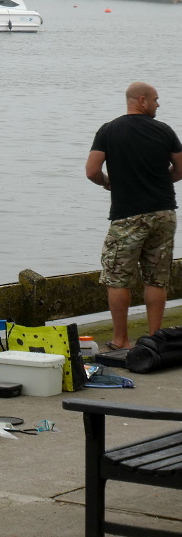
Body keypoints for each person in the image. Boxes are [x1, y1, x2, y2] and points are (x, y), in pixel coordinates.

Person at [86, 82, 182, 351]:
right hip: (164, 212)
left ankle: (121, 340)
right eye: (156, 100)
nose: (158, 104)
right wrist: (161, 182)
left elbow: (92, 171)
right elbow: (180, 168)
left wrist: (108, 182)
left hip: (128, 214)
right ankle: (155, 340)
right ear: (141, 100)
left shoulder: (109, 130)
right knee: (157, 277)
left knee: (117, 277)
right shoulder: (164, 131)